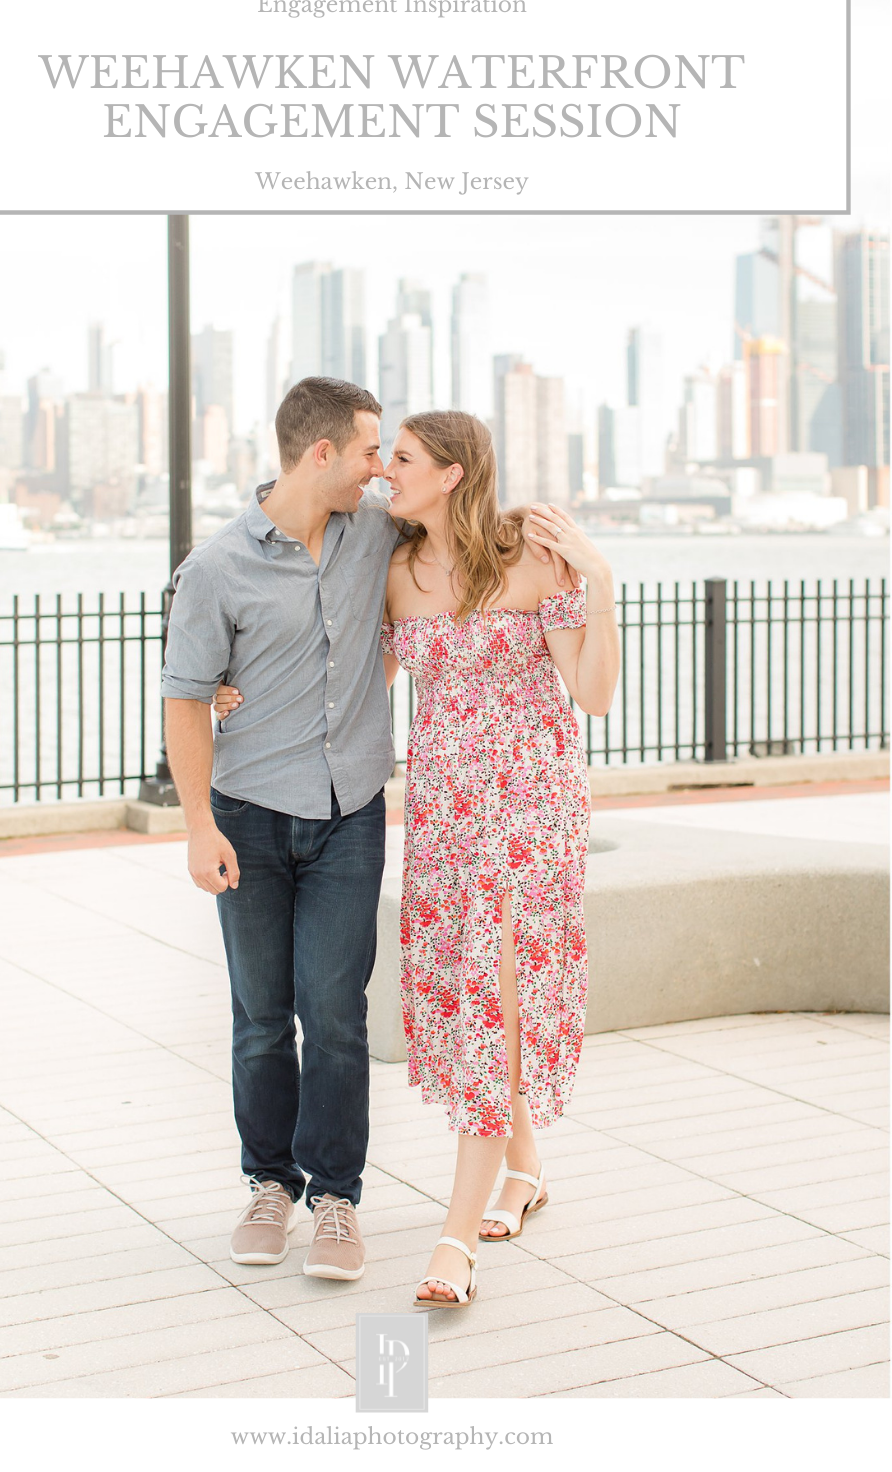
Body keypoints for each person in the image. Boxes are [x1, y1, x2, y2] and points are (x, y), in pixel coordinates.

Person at [378, 411, 620, 1308]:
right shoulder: (395, 573)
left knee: (492, 995)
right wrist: (237, 689)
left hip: (530, 809)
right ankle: (525, 1171)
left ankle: (453, 1240)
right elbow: (358, 687)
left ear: (448, 473)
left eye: (399, 460)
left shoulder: (532, 558)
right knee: (473, 988)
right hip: (444, 813)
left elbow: (592, 695)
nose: (384, 475)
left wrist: (597, 578)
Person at [161, 377, 398, 1281]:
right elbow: (186, 700)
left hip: (351, 816)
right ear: (322, 454)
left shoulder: (376, 531)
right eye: (371, 451)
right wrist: (196, 827)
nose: (381, 468)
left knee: (335, 1013)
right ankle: (271, 1183)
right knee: (261, 1017)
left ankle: (336, 1200)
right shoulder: (216, 566)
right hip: (249, 818)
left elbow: (463, 528)